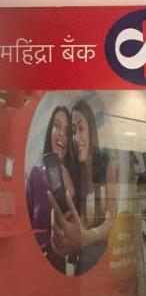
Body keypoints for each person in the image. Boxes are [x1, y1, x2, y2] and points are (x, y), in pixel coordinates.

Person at [47, 99, 119, 275]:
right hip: (83, 262)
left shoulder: (108, 163)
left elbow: (112, 221)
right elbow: (78, 222)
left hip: (107, 259)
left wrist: (89, 235)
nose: (76, 138)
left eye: (80, 129)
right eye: (72, 131)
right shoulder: (75, 172)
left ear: (91, 130)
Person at [25, 106, 76, 274]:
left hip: (67, 261)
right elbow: (26, 220)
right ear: (50, 131)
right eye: (57, 125)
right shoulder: (37, 173)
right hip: (40, 258)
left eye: (67, 131)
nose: (61, 134)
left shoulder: (73, 174)